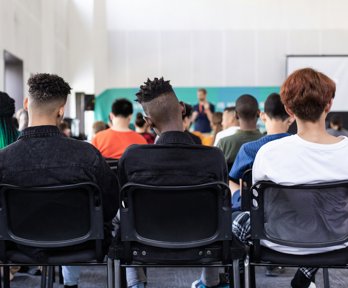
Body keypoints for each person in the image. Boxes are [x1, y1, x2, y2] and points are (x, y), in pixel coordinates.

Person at [0, 73, 119, 288]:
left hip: (17, 246)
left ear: (26, 104)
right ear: (61, 111)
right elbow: (110, 205)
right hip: (80, 244)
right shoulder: (87, 155)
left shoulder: (3, 159)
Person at [233, 68, 348, 288]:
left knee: (239, 221)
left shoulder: (268, 153)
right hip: (338, 244)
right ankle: (305, 276)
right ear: (329, 105)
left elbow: (261, 206)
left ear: (289, 109)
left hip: (277, 243)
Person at [118, 77, 228, 288]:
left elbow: (123, 202)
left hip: (144, 244)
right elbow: (223, 203)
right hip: (205, 243)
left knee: (121, 215)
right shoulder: (213, 157)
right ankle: (211, 282)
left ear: (147, 121)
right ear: (182, 108)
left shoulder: (132, 158)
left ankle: (135, 283)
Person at [229, 93, 293, 211]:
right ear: (291, 118)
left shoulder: (249, 150)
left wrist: (239, 196)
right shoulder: (298, 148)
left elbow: (232, 181)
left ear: (263, 116)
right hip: (294, 211)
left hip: (258, 214)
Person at [216, 95, 262, 170]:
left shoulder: (224, 143)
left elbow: (215, 171)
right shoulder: (268, 142)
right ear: (258, 113)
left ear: (236, 115)